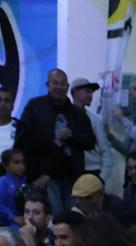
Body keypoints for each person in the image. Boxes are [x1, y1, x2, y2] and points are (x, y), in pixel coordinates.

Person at [16, 67, 98, 207]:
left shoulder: (78, 114)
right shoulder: (34, 107)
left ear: (67, 86)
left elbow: (90, 142)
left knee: (73, 219)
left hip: (73, 176)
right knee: (52, 218)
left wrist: (72, 134)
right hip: (43, 176)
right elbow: (22, 140)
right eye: (55, 83)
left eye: (62, 83)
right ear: (47, 85)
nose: (59, 87)